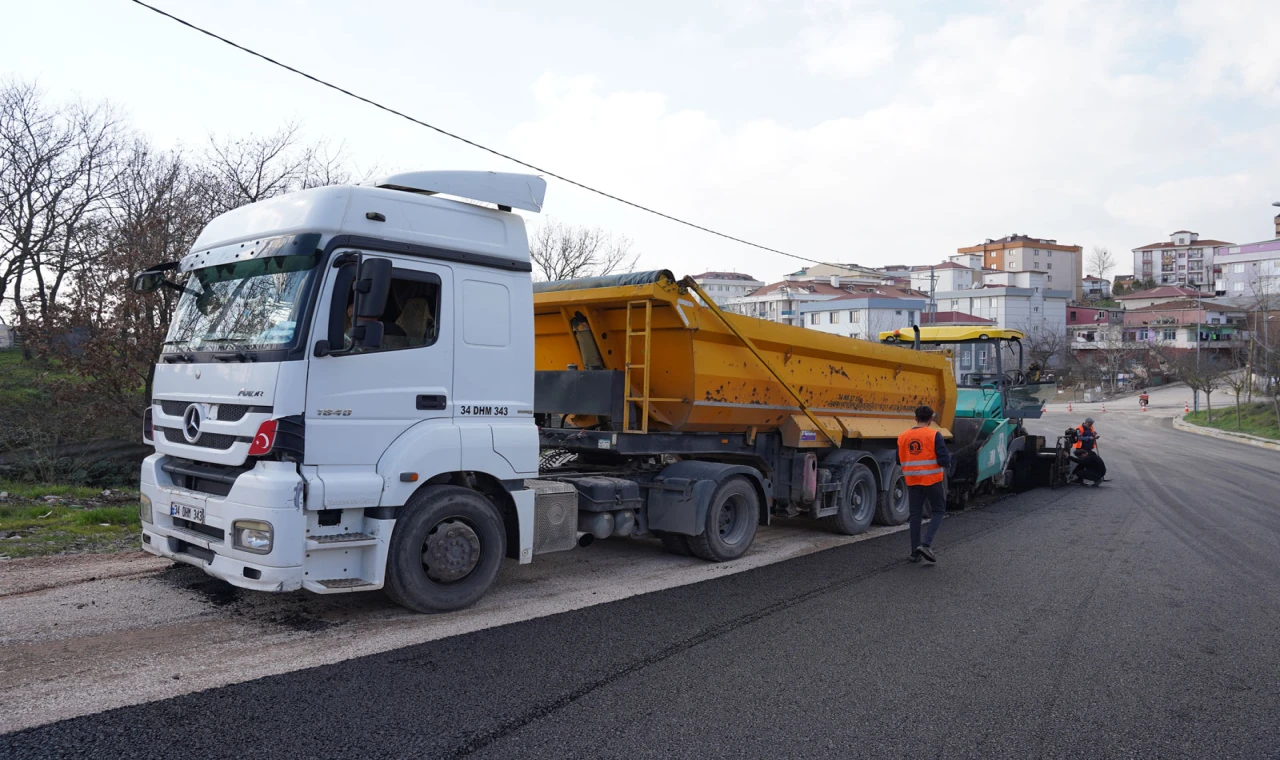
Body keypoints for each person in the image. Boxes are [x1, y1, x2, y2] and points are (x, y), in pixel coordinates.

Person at [897, 404, 952, 564]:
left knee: (915, 516)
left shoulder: (903, 436)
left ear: (915, 418)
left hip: (912, 481)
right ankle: (926, 544)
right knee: (939, 511)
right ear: (931, 419)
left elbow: (898, 460)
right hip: (932, 481)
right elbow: (943, 459)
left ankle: (915, 553)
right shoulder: (934, 435)